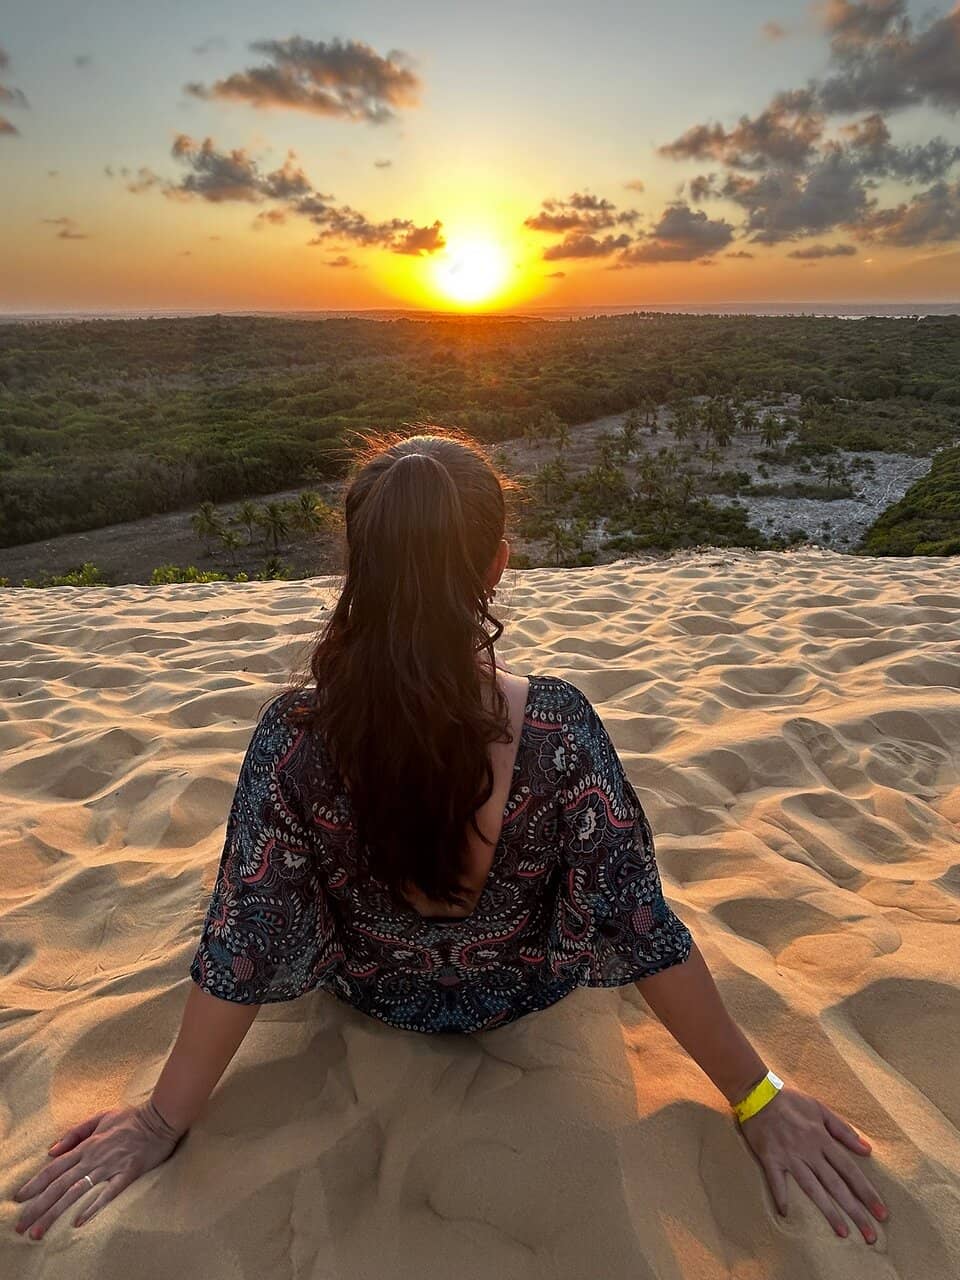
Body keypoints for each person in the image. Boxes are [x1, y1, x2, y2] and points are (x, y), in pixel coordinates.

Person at [11, 427, 889, 1247]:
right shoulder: (560, 730)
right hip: (526, 992)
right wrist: (756, 1096)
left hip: (374, 996)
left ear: (360, 564)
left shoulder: (293, 739)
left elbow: (243, 941)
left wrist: (160, 1121)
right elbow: (642, 928)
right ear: (497, 566)